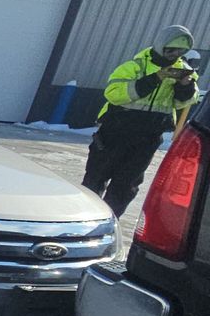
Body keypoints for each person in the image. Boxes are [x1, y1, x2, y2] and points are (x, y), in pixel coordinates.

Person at [82, 24, 201, 215]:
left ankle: (109, 221)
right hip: (115, 132)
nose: (174, 54)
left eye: (180, 51)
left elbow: (184, 102)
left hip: (148, 138)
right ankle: (83, 217)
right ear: (161, 46)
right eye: (171, 49)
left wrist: (184, 86)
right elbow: (113, 94)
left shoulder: (185, 71)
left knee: (126, 185)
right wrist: (155, 79)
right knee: (96, 178)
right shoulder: (135, 66)